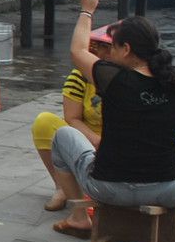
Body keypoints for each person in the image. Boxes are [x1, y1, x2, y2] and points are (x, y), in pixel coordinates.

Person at [49, 0, 175, 242]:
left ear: (126, 49)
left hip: (106, 187)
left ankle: (79, 218)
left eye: (113, 47)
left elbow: (77, 51)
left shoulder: (112, 78)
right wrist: (170, 154)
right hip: (166, 190)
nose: (110, 53)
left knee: (63, 135)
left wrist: (87, 10)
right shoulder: (174, 85)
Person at [31, 25, 114, 211]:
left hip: (122, 142)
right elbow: (72, 118)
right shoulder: (81, 76)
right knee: (44, 122)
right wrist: (97, 141)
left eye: (110, 47)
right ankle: (61, 186)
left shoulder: (131, 79)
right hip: (87, 136)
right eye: (102, 47)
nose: (105, 53)